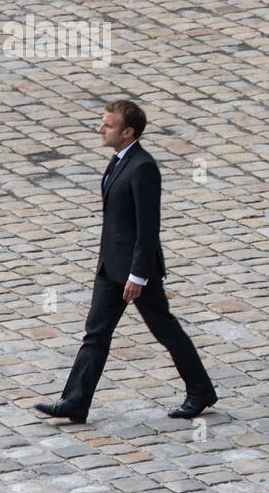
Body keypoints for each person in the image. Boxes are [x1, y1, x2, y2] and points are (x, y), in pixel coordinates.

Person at [34, 100, 217, 423]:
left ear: (128, 132)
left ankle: (200, 389)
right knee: (96, 333)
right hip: (110, 267)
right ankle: (75, 401)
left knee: (165, 330)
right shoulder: (119, 161)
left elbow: (148, 228)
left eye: (108, 125)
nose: (100, 129)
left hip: (135, 272)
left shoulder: (142, 167)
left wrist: (138, 275)